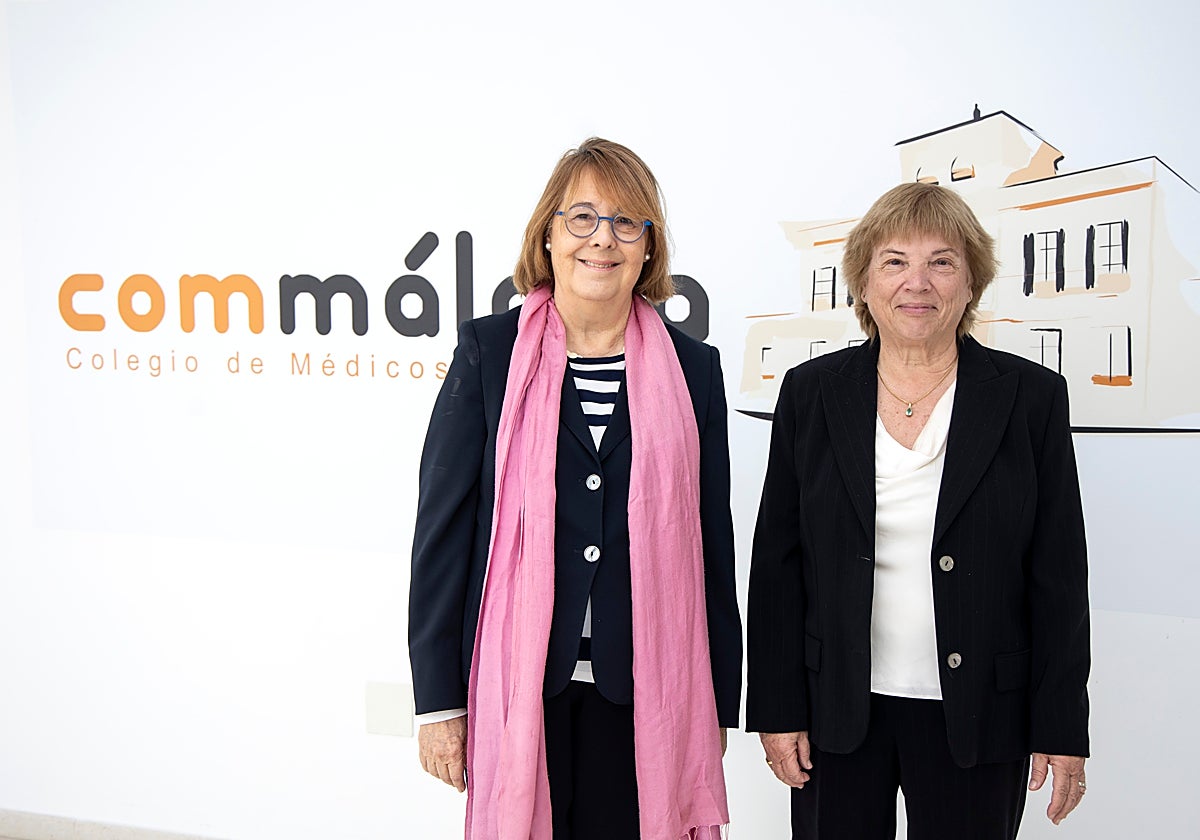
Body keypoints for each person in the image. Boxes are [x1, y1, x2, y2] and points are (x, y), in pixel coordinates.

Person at [408, 137, 741, 840]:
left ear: (649, 247)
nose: (603, 239)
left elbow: (712, 541)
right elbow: (442, 533)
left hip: (648, 694)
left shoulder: (694, 370)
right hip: (522, 690)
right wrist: (438, 702)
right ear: (548, 235)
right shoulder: (489, 352)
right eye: (583, 217)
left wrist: (716, 699)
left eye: (626, 222)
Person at [746, 182, 1090, 839]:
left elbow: (1059, 576)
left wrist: (1061, 724)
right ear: (863, 282)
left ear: (971, 282)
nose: (918, 282)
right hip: (836, 709)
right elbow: (777, 568)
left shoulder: (1031, 398)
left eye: (942, 261)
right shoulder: (811, 393)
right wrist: (778, 708)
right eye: (895, 261)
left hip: (981, 713)